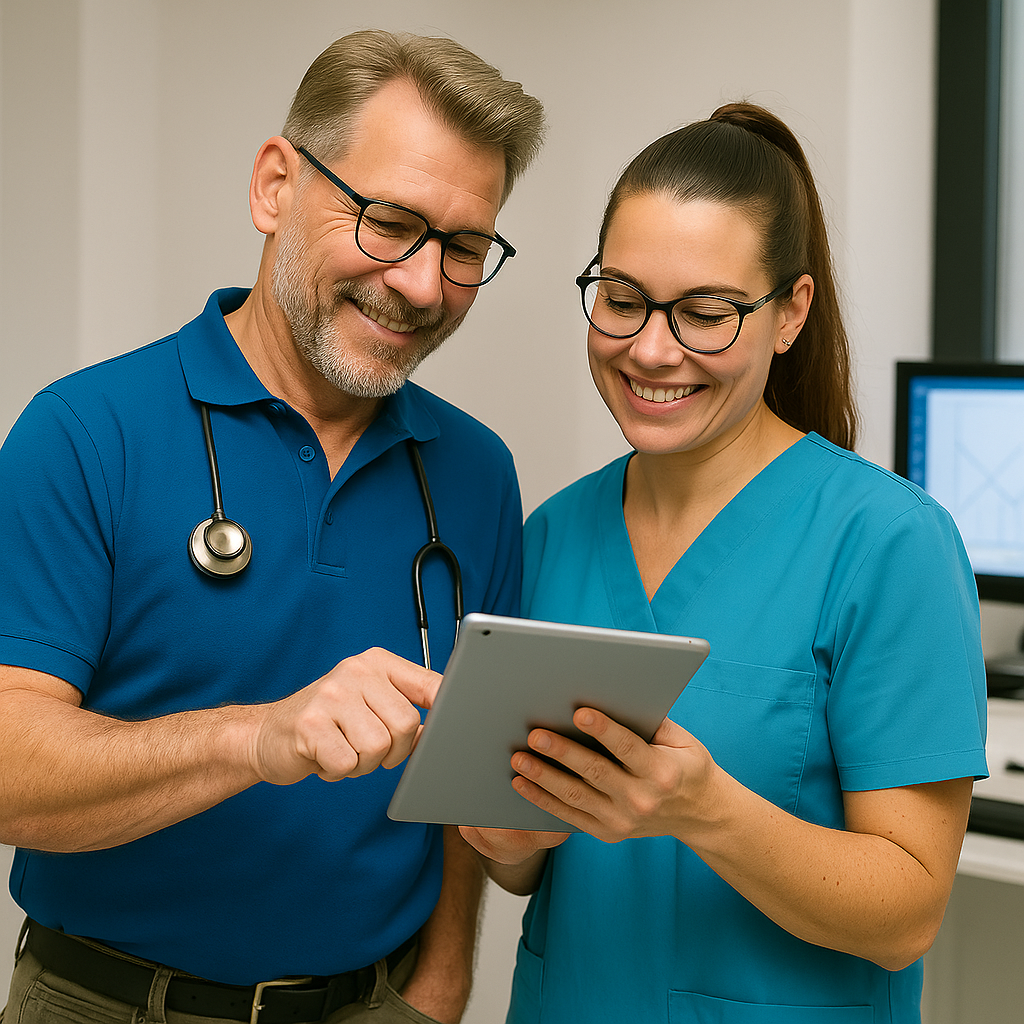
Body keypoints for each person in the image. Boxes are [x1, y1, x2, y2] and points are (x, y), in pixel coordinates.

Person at [0, 29, 543, 1024]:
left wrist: (439, 984)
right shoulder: (85, 433)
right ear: (275, 186)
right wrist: (258, 737)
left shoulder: (475, 474)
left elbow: (468, 774)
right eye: (388, 222)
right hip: (109, 1001)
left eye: (463, 248)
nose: (422, 285)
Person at [460, 103, 988, 1023]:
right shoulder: (552, 534)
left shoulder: (888, 543)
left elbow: (908, 914)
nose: (650, 349)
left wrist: (706, 810)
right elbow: (532, 866)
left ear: (791, 313)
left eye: (705, 314)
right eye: (621, 299)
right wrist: (508, 840)